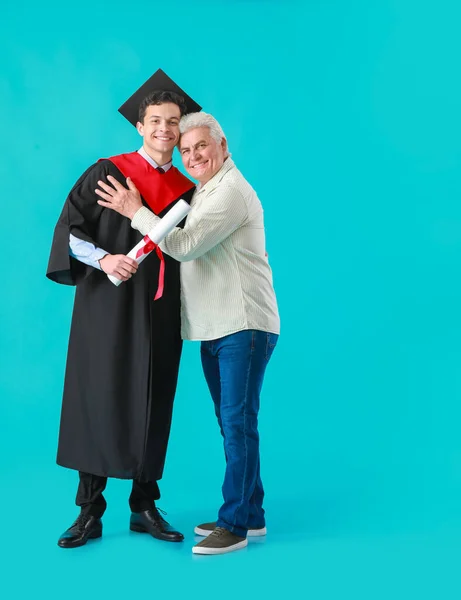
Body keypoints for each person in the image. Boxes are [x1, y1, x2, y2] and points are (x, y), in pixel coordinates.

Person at [95, 112, 280, 555]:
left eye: (202, 146)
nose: (194, 155)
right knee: (233, 423)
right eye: (187, 149)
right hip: (217, 327)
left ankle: (234, 523)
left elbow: (183, 245)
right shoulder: (205, 190)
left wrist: (133, 211)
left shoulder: (230, 191)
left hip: (243, 325)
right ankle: (250, 514)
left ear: (223, 147)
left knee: (238, 424)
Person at [46, 70, 201, 548]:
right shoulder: (107, 172)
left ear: (181, 129)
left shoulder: (186, 188)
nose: (164, 130)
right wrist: (106, 257)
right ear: (139, 125)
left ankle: (144, 505)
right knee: (99, 394)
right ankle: (89, 512)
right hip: (106, 306)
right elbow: (69, 230)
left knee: (154, 397)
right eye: (155, 120)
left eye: (173, 122)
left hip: (158, 311)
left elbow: (190, 248)